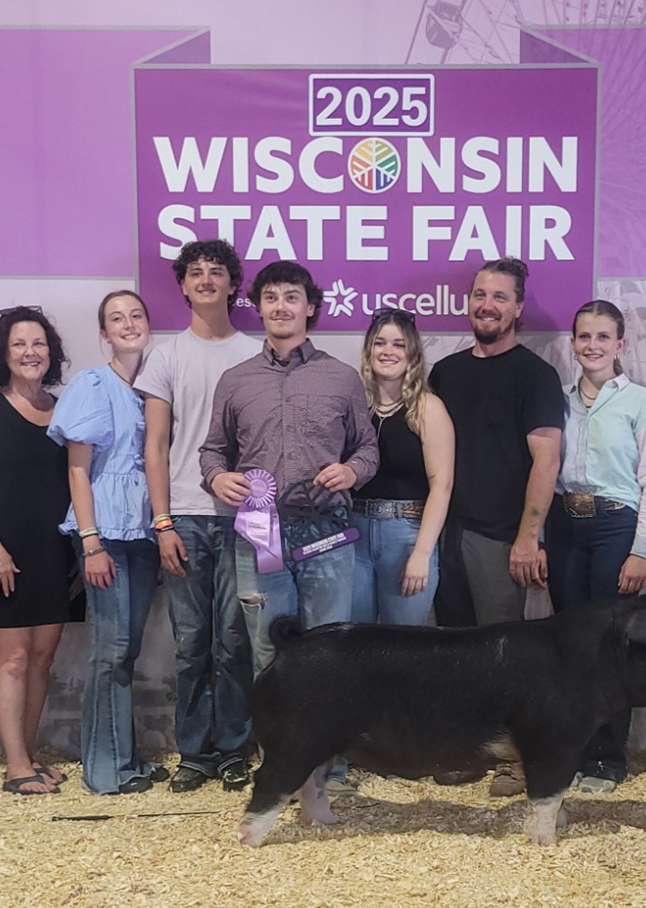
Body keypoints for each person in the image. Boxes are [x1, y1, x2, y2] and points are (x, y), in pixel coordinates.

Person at [200, 260, 378, 792]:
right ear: (259, 307)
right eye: (271, 297)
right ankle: (279, 760)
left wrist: (352, 470)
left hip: (326, 532)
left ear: (311, 308)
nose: (281, 306)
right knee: (267, 652)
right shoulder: (235, 381)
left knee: (329, 653)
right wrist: (217, 479)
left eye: (292, 297)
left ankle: (332, 766)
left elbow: (367, 447)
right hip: (260, 532)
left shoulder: (342, 378)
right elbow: (213, 450)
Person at [427, 256, 565, 798]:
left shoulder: (536, 375)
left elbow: (546, 461)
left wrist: (528, 537)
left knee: (505, 656)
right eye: (481, 294)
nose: (488, 304)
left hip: (502, 538)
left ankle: (516, 758)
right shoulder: (446, 373)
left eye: (500, 297)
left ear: (518, 308)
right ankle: (467, 749)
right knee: (454, 651)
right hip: (447, 535)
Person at [139, 240, 258, 794]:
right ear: (183, 286)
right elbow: (156, 446)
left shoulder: (257, 355)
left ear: (234, 285)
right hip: (185, 517)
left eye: (217, 271)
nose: (206, 279)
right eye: (195, 272)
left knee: (235, 641)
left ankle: (235, 748)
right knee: (192, 643)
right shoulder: (165, 357)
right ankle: (194, 753)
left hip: (243, 519)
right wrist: (162, 522)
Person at [0, 306, 83, 795]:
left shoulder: (65, 410)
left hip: (54, 551)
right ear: (2, 355)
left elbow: (76, 482)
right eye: (19, 345)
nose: (30, 353)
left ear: (51, 353)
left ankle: (27, 755)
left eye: (39, 344)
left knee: (42, 659)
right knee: (11, 658)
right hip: (1, 555)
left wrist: (78, 552)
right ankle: (14, 767)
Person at [545, 300, 646, 793]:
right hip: (564, 525)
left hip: (616, 526)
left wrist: (640, 551)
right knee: (570, 644)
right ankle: (572, 749)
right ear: (572, 344)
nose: (592, 346)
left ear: (620, 344)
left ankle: (609, 757)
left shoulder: (640, 401)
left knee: (613, 644)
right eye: (583, 337)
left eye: (602, 337)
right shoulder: (558, 400)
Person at [47, 290, 167, 795]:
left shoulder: (159, 385)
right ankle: (104, 770)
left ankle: (124, 760)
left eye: (136, 314)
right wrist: (91, 542)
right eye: (116, 318)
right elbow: (78, 468)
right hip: (106, 532)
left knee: (127, 649)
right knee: (110, 650)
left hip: (145, 531)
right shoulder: (92, 385)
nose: (128, 324)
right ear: (103, 334)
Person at [350, 308, 454, 625]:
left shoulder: (428, 408)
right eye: (380, 343)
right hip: (354, 534)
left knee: (403, 651)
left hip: (406, 536)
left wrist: (422, 553)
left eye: (398, 344)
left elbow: (442, 485)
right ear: (369, 350)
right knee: (353, 646)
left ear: (412, 353)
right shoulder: (353, 404)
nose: (388, 351)